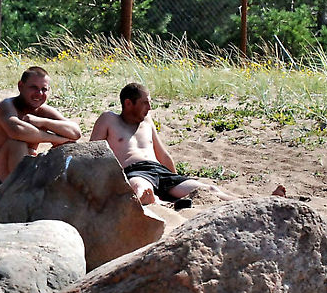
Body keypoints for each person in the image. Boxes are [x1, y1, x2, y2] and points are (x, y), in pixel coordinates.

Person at [90, 82, 284, 207]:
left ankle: (261, 202)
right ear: (128, 103)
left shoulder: (147, 122)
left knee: (208, 190)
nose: (150, 107)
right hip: (134, 171)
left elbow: (164, 156)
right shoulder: (109, 119)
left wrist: (176, 180)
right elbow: (92, 153)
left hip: (160, 172)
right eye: (145, 103)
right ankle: (163, 204)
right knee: (140, 190)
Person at [0, 66, 81, 192]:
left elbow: (75, 132)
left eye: (44, 89)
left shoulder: (43, 111)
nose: (39, 93)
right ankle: (23, 195)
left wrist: (42, 122)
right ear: (21, 86)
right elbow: (17, 131)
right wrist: (54, 138)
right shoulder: (6, 106)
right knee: (16, 143)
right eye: (33, 87)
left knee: (69, 145)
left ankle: (59, 192)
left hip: (21, 175)